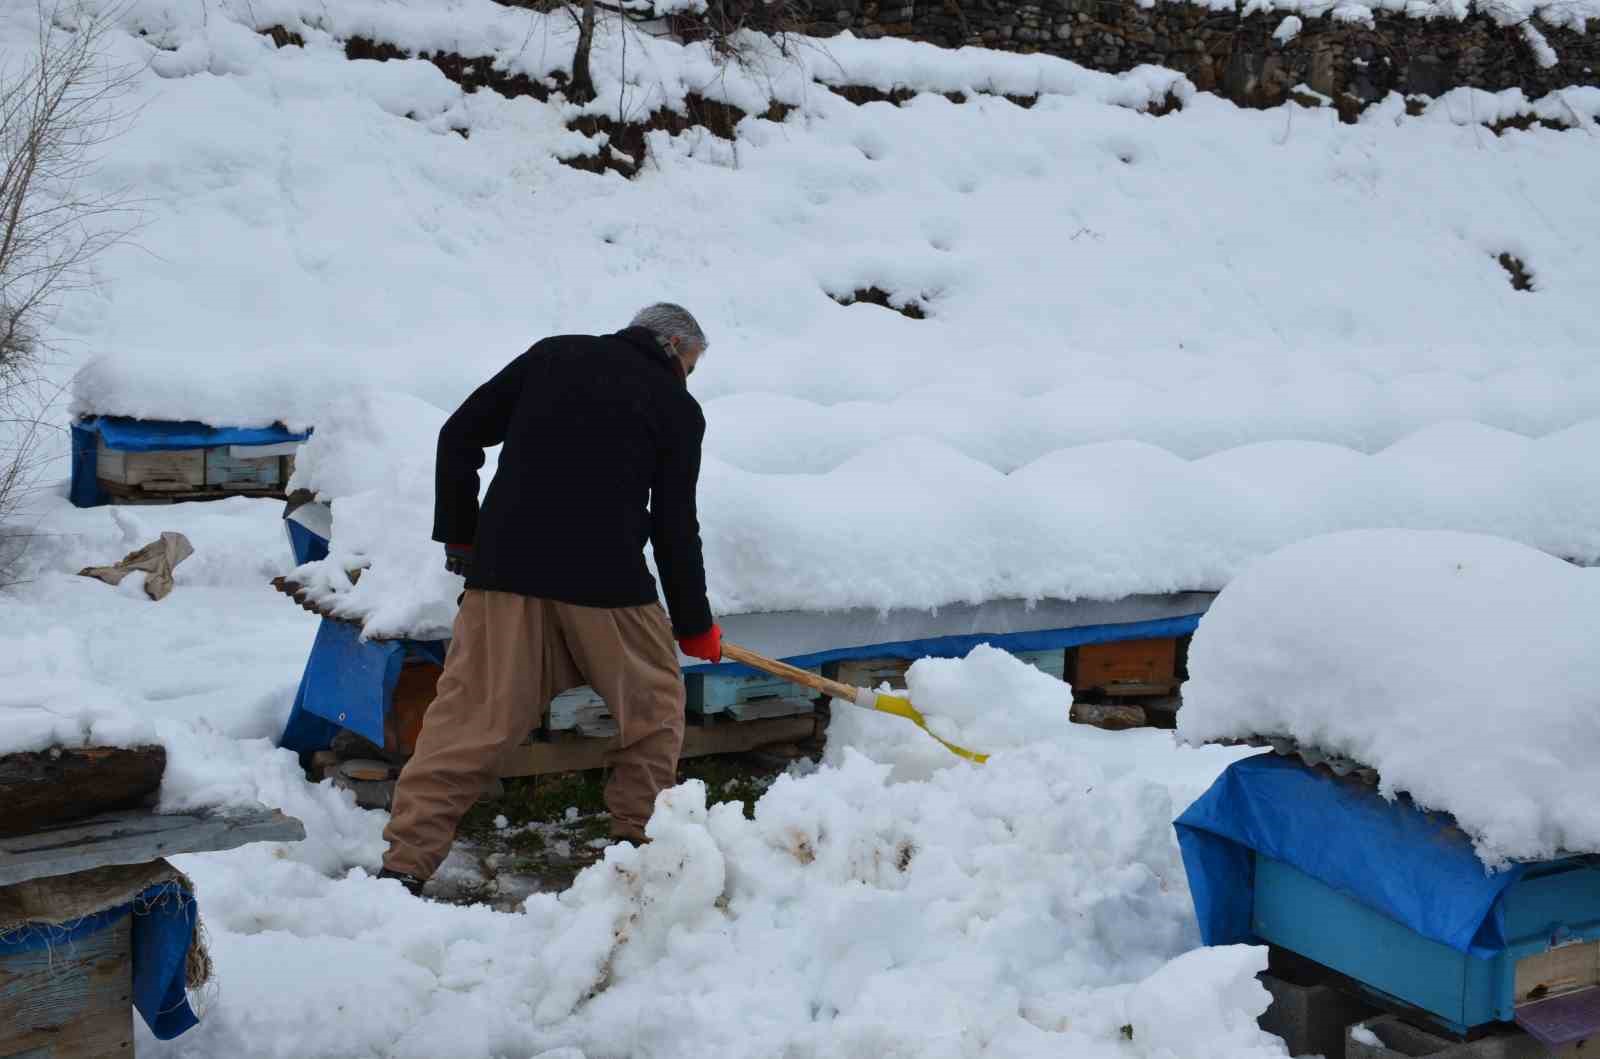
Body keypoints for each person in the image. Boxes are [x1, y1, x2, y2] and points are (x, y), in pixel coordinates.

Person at [377, 304, 723, 896]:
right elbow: (673, 526)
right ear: (671, 346)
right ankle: (634, 845)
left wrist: (462, 535)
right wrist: (694, 625)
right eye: (690, 365)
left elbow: (457, 435)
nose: (687, 379)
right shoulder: (676, 407)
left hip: (503, 576)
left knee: (466, 722)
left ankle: (403, 865)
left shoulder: (552, 354)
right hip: (606, 586)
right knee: (654, 711)